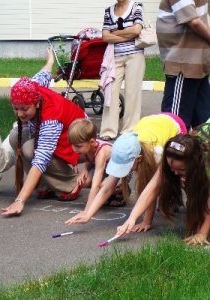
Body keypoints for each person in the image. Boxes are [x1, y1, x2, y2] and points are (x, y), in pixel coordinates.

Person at [1, 48, 86, 217]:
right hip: (59, 138)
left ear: (37, 103)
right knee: (15, 136)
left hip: (77, 142)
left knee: (28, 148)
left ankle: (69, 184)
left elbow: (41, 158)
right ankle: (44, 185)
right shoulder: (33, 87)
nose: (19, 114)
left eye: (24, 109)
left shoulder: (51, 118)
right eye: (15, 109)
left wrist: (20, 200)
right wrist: (50, 62)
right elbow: (44, 74)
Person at [65, 112, 187, 226]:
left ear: (138, 159)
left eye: (126, 167)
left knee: (172, 173)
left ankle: (173, 200)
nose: (123, 170)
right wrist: (87, 215)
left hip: (173, 125)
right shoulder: (124, 147)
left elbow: (151, 190)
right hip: (149, 123)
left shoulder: (155, 154)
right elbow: (107, 189)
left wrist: (146, 222)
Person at [117, 120, 210, 245]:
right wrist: (132, 218)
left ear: (194, 163)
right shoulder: (175, 154)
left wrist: (202, 233)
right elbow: (152, 188)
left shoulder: (205, 163)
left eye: (181, 169)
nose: (175, 173)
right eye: (172, 168)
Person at [156, 0, 210, 131]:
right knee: (204, 122)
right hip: (194, 63)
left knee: (175, 123)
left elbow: (194, 22)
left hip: (183, 64)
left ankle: (176, 150)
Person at [99, 0, 145, 141]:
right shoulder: (109, 11)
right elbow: (105, 36)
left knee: (132, 93)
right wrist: (127, 33)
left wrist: (116, 33)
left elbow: (137, 30)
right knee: (110, 93)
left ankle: (129, 130)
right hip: (114, 57)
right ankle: (108, 130)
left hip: (134, 55)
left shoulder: (136, 7)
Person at [67, 118, 124, 209]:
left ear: (92, 142)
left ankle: (122, 191)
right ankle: (105, 193)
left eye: (78, 146)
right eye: (72, 145)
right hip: (106, 170)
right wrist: (84, 170)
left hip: (120, 172)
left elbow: (96, 183)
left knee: (101, 186)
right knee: (84, 181)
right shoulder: (89, 147)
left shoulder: (102, 152)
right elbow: (91, 160)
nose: (74, 149)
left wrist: (88, 209)